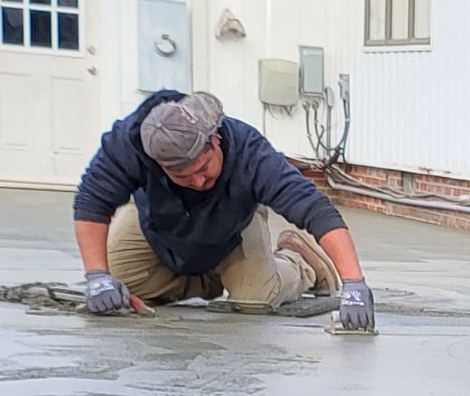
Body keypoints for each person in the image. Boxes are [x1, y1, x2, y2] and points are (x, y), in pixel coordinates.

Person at [72, 90, 376, 330]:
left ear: (215, 138)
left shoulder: (251, 153)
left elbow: (314, 209)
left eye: (204, 168)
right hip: (158, 221)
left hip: (233, 228)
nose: (199, 181)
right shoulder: (130, 143)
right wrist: (97, 276)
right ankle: (214, 278)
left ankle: (299, 263)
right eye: (183, 176)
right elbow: (91, 201)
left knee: (256, 298)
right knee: (119, 284)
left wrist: (354, 284)